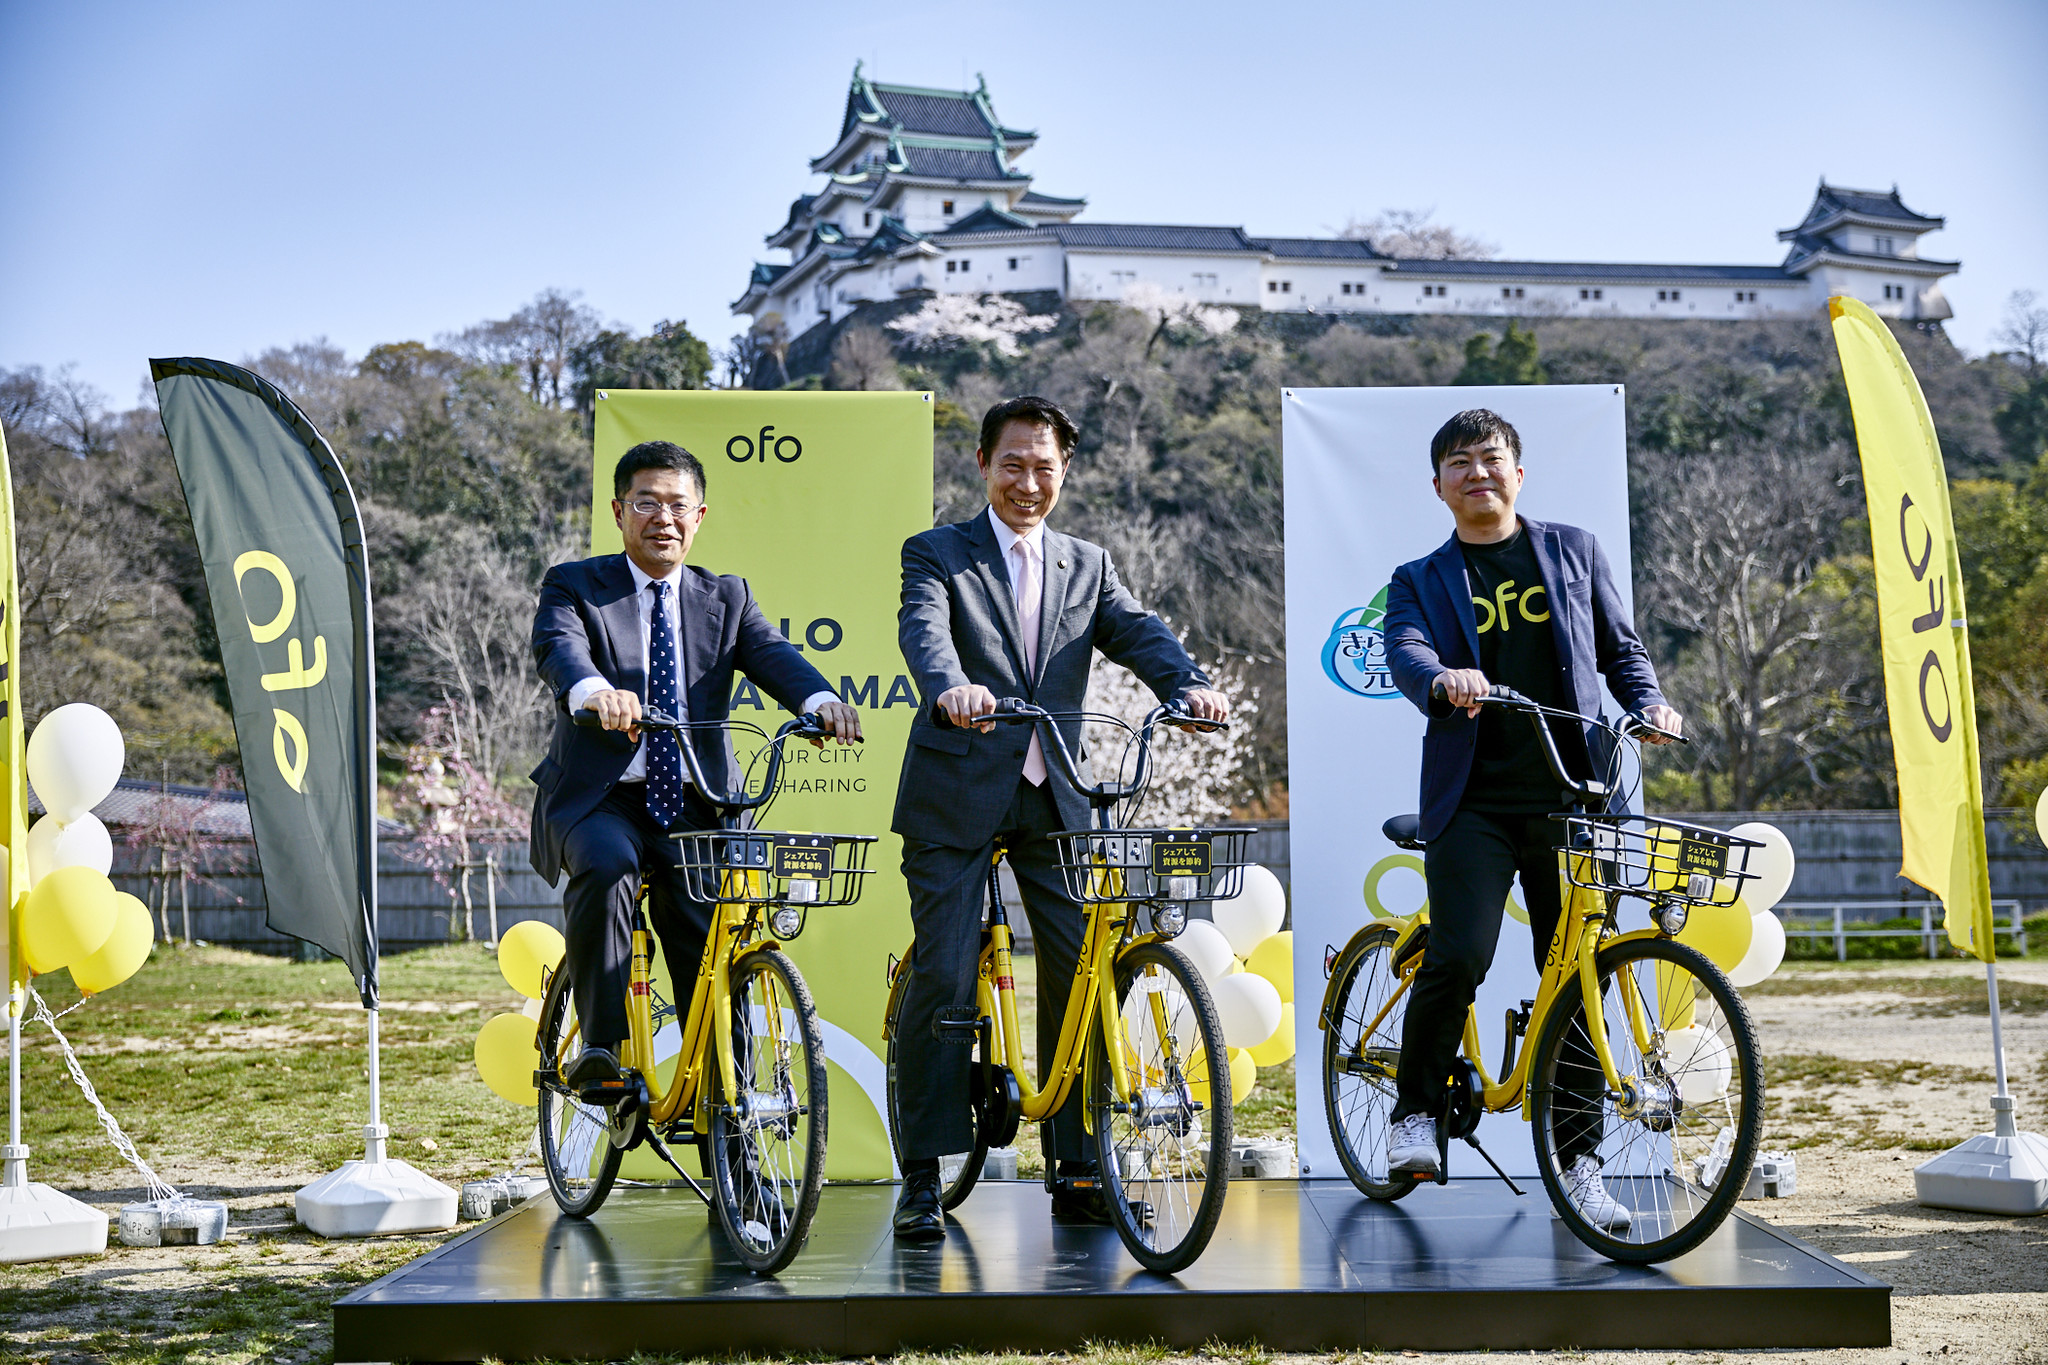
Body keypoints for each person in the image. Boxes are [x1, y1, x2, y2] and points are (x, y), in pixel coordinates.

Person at [889, 395, 1230, 1241]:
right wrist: (948, 688)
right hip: (956, 786)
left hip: (1057, 790)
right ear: (982, 464)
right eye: (1013, 464)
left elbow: (1137, 631)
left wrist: (1184, 683)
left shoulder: (1088, 562)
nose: (1029, 481)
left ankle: (1077, 1163)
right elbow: (924, 631)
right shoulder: (938, 552)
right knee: (942, 969)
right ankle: (924, 1175)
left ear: (1065, 470)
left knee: (1087, 967)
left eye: (1045, 466)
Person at [1381, 408, 1682, 1231]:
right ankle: (1414, 1112)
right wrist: (1442, 677)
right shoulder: (1419, 576)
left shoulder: (1575, 549)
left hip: (1577, 793)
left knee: (1582, 973)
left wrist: (1648, 703)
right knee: (1462, 952)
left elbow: (1621, 651)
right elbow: (1404, 647)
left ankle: (1578, 1162)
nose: (1478, 473)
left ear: (1519, 472)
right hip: (1474, 796)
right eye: (1460, 463)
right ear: (1438, 484)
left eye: (1492, 458)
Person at [529, 439, 862, 1098]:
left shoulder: (726, 597)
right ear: (620, 509)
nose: (663, 518)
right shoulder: (576, 585)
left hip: (696, 803)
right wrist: (595, 692)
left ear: (700, 515)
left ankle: (733, 1145)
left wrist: (820, 701)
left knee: (715, 948)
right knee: (607, 866)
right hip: (603, 799)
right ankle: (601, 1043)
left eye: (678, 505)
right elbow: (560, 648)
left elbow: (772, 654)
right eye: (647, 502)